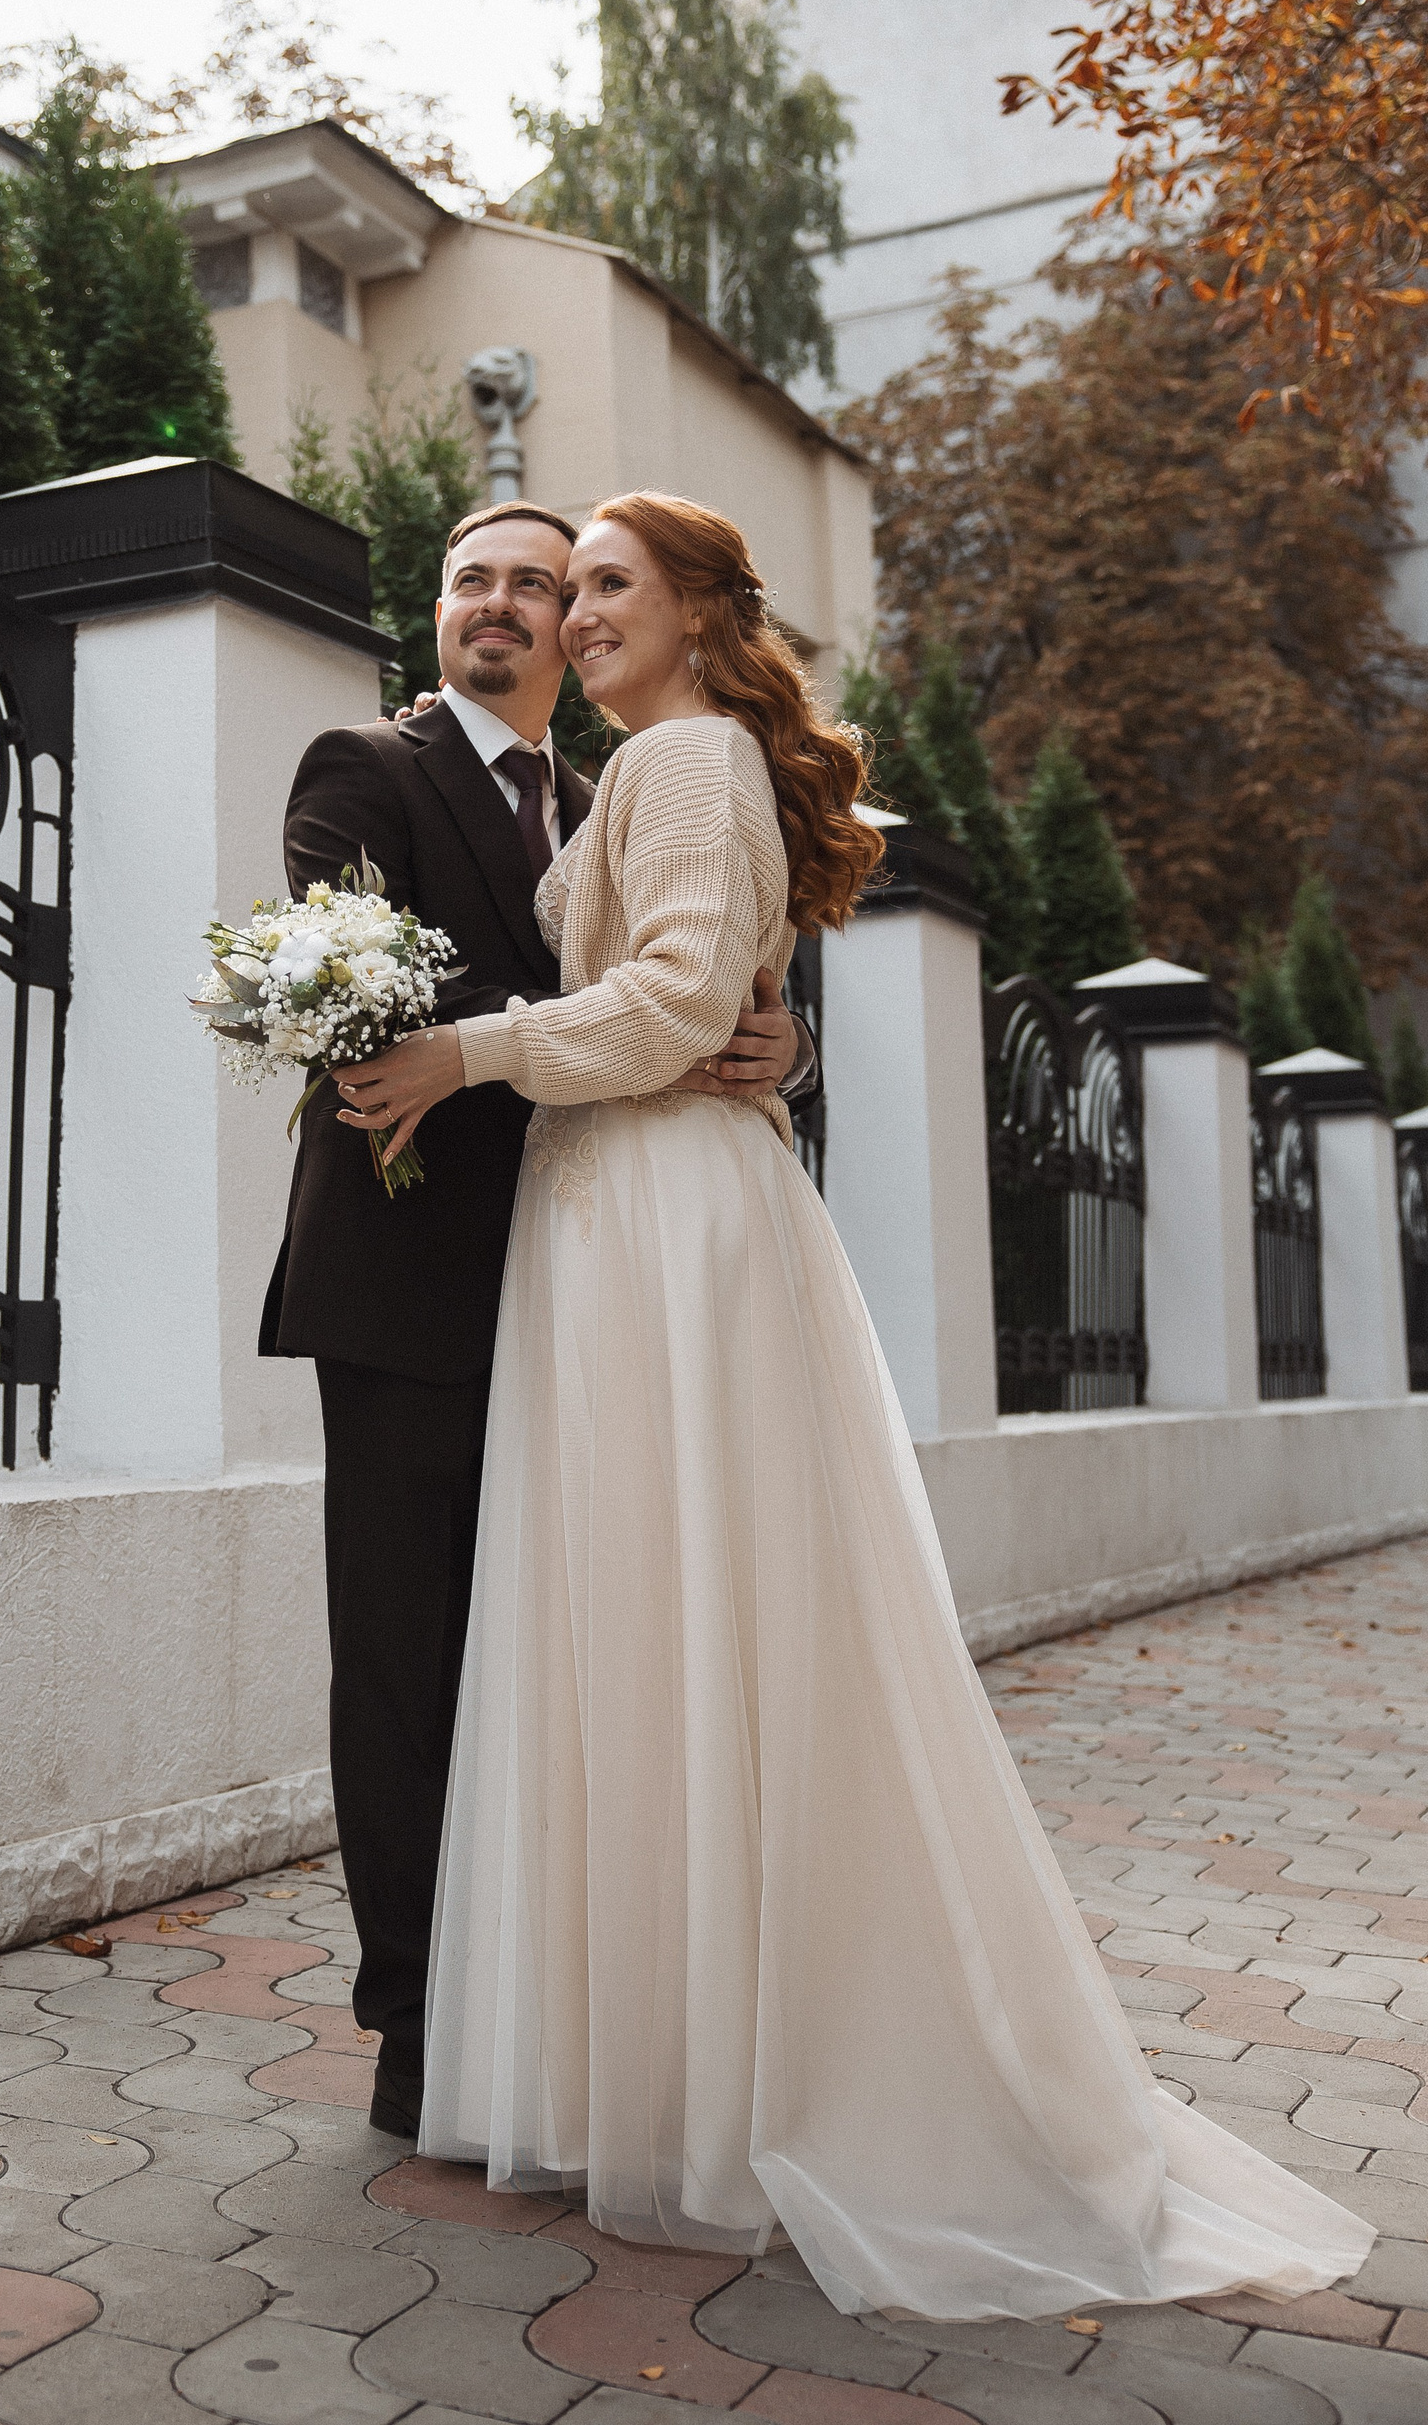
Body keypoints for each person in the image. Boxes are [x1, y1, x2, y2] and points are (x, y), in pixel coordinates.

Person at [333, 492, 1373, 2319]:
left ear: (697, 613)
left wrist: (475, 1050)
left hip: (659, 1220)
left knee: (684, 1627)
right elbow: (705, 977)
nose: (572, 614)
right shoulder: (644, 768)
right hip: (625, 1213)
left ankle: (724, 2077)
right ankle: (672, 2054)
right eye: (559, 590)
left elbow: (669, 1000)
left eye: (605, 586)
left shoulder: (686, 758)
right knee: (672, 1632)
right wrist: (769, 1023)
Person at [259, 500, 811, 2138]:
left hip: (604, 1284)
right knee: (410, 1665)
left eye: (541, 583)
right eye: (472, 580)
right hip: (419, 1290)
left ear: (580, 622)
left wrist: (777, 1044)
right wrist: (616, 1035)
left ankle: (563, 2011)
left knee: (580, 1661)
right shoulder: (363, 766)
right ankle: (419, 2027)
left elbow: (700, 971)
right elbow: (360, 1001)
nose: (504, 604)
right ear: (438, 612)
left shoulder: (624, 781)